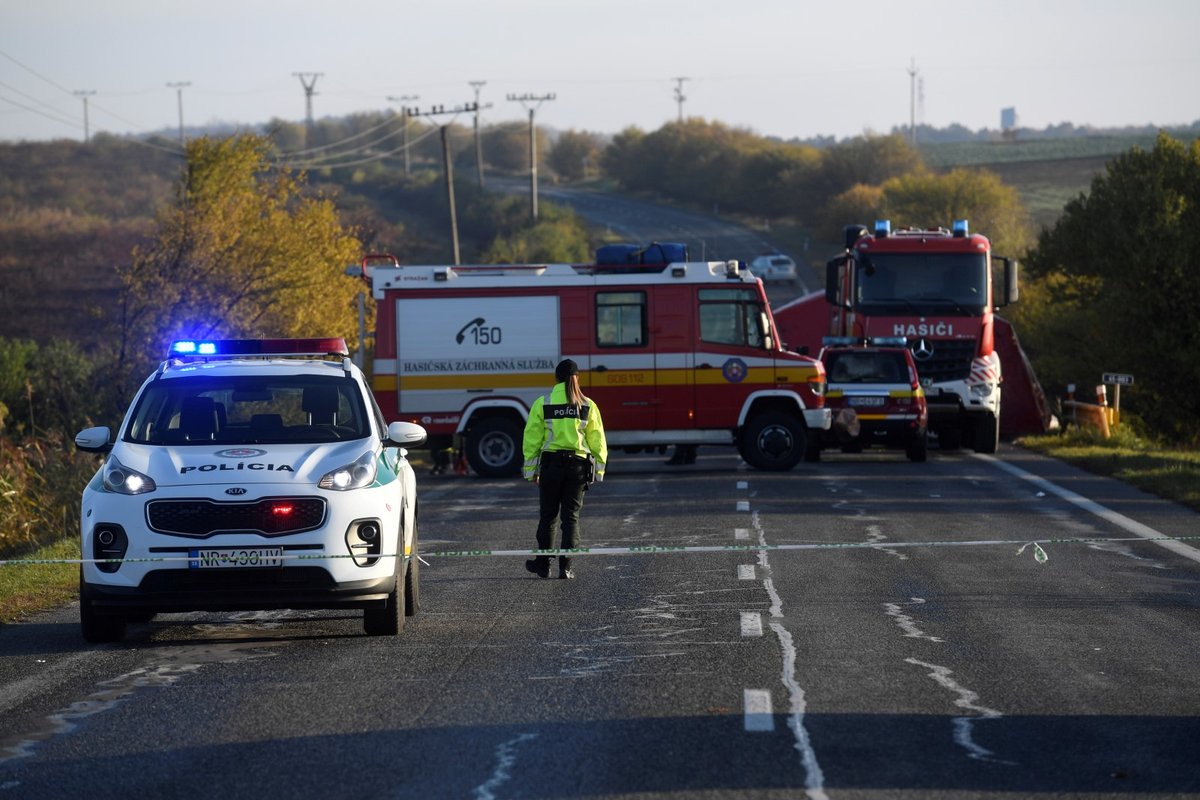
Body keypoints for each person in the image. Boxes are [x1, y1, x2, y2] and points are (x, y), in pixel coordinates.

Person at [522, 359, 608, 579]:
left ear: (556, 379)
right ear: (577, 378)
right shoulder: (588, 405)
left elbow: (532, 438)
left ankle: (543, 565)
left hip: (551, 466)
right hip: (578, 467)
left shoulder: (544, 402)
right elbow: (597, 439)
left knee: (548, 516)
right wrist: (598, 470)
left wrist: (531, 471)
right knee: (571, 518)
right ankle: (566, 567)